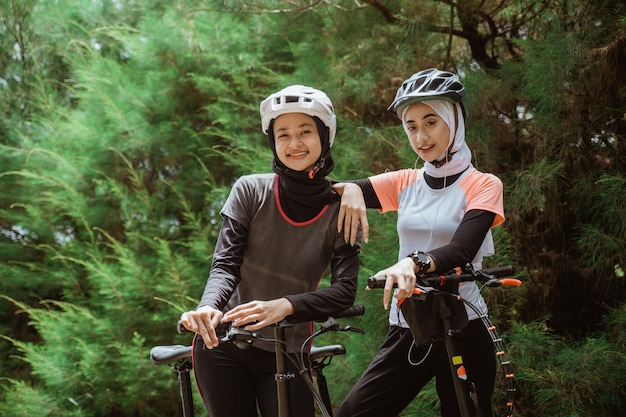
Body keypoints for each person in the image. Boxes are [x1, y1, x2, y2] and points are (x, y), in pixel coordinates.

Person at [180, 85, 361, 417]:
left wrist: (286, 305)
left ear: (325, 135)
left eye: (305, 132)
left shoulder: (343, 208)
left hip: (289, 350)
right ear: (273, 142)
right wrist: (208, 306)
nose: (294, 144)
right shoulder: (250, 190)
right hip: (224, 346)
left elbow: (344, 291)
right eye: (283, 135)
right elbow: (225, 265)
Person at [333, 68, 505, 417]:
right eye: (411, 126)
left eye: (431, 122)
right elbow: (328, 192)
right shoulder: (406, 181)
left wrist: (412, 262)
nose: (420, 136)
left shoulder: (484, 185)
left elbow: (461, 250)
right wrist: (351, 189)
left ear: (453, 121)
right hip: (412, 325)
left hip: (465, 325)